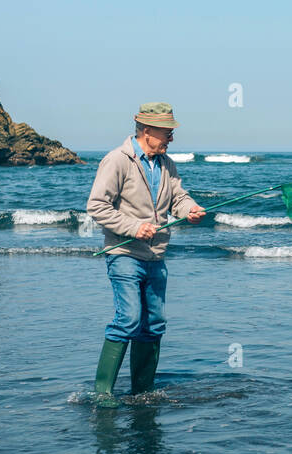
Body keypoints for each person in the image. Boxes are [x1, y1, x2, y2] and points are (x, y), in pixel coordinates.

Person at [86, 102, 206, 406]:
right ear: (146, 130)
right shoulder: (116, 160)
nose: (171, 138)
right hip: (124, 252)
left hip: (156, 256)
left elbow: (178, 197)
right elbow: (97, 206)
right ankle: (102, 393)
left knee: (154, 323)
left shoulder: (167, 164)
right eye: (167, 132)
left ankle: (141, 392)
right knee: (128, 318)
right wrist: (133, 227)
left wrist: (189, 209)